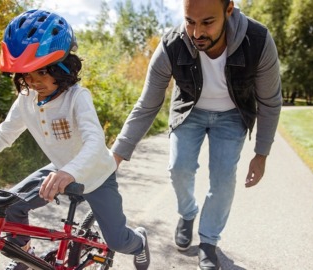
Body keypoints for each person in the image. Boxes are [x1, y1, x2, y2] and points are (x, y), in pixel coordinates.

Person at [0, 10, 150, 270]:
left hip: (96, 174)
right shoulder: (27, 98)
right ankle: (25, 256)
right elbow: (4, 134)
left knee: (118, 241)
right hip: (58, 169)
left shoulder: (77, 97)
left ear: (61, 68)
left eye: (41, 73)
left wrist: (70, 172)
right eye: (26, 75)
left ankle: (139, 242)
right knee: (11, 206)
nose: (32, 82)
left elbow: (95, 144)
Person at [111, 0, 282, 269]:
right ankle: (188, 212)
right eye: (190, 21)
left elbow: (270, 101)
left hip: (233, 115)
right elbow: (147, 104)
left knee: (223, 179)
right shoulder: (173, 43)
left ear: (229, 10)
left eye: (207, 22)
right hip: (189, 111)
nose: (197, 33)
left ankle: (209, 242)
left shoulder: (257, 40)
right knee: (179, 169)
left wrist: (262, 153)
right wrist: (117, 154)